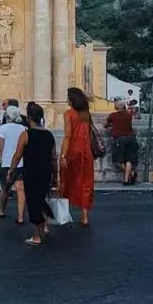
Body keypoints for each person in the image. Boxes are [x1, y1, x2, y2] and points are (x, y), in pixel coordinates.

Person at [7, 102, 58, 246]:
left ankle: (36, 236)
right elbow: (54, 157)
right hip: (46, 171)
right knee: (41, 199)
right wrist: (56, 176)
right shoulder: (49, 135)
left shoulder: (26, 134)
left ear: (29, 118)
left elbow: (17, 155)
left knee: (33, 202)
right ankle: (44, 227)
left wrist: (11, 170)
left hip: (31, 171)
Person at [60, 87, 99, 227]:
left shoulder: (68, 114)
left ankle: (64, 213)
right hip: (86, 152)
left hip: (72, 151)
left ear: (71, 99)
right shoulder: (86, 114)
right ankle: (85, 217)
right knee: (86, 183)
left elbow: (68, 135)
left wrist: (63, 155)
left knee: (67, 181)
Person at [0, 102, 27, 224]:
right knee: (20, 188)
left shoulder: (3, 128)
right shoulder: (23, 128)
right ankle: (20, 217)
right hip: (20, 162)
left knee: (5, 188)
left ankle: (2, 210)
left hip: (6, 162)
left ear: (7, 116)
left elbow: (0, 147)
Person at [106, 98, 139, 185]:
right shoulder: (128, 115)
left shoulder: (112, 115)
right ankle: (126, 179)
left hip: (120, 139)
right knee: (128, 160)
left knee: (118, 160)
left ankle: (131, 174)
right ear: (124, 106)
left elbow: (106, 124)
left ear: (117, 107)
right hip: (131, 138)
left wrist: (110, 125)